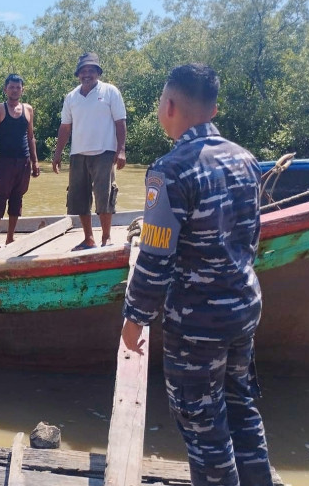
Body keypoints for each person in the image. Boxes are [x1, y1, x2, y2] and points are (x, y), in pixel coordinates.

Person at [121, 63, 273, 486]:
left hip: (197, 324)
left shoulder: (169, 170)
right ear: (214, 110)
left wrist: (134, 317)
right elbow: (251, 239)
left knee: (203, 426)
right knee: (241, 408)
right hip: (243, 308)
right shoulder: (246, 161)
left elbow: (155, 258)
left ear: (169, 106)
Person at [52, 52, 126, 250]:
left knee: (104, 196)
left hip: (104, 152)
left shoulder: (110, 91)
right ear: (78, 74)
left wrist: (121, 150)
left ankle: (106, 238)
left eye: (91, 70)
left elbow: (120, 122)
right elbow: (65, 127)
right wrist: (58, 154)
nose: (87, 74)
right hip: (78, 153)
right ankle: (89, 239)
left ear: (98, 73)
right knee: (79, 198)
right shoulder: (71, 97)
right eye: (83, 71)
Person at [0, 73, 40, 251]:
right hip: (4, 161)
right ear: (5, 89)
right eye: (11, 87)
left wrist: (35, 161)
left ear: (22, 90)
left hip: (23, 161)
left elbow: (31, 137)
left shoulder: (28, 109)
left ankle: (10, 238)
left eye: (18, 87)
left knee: (17, 199)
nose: (15, 90)